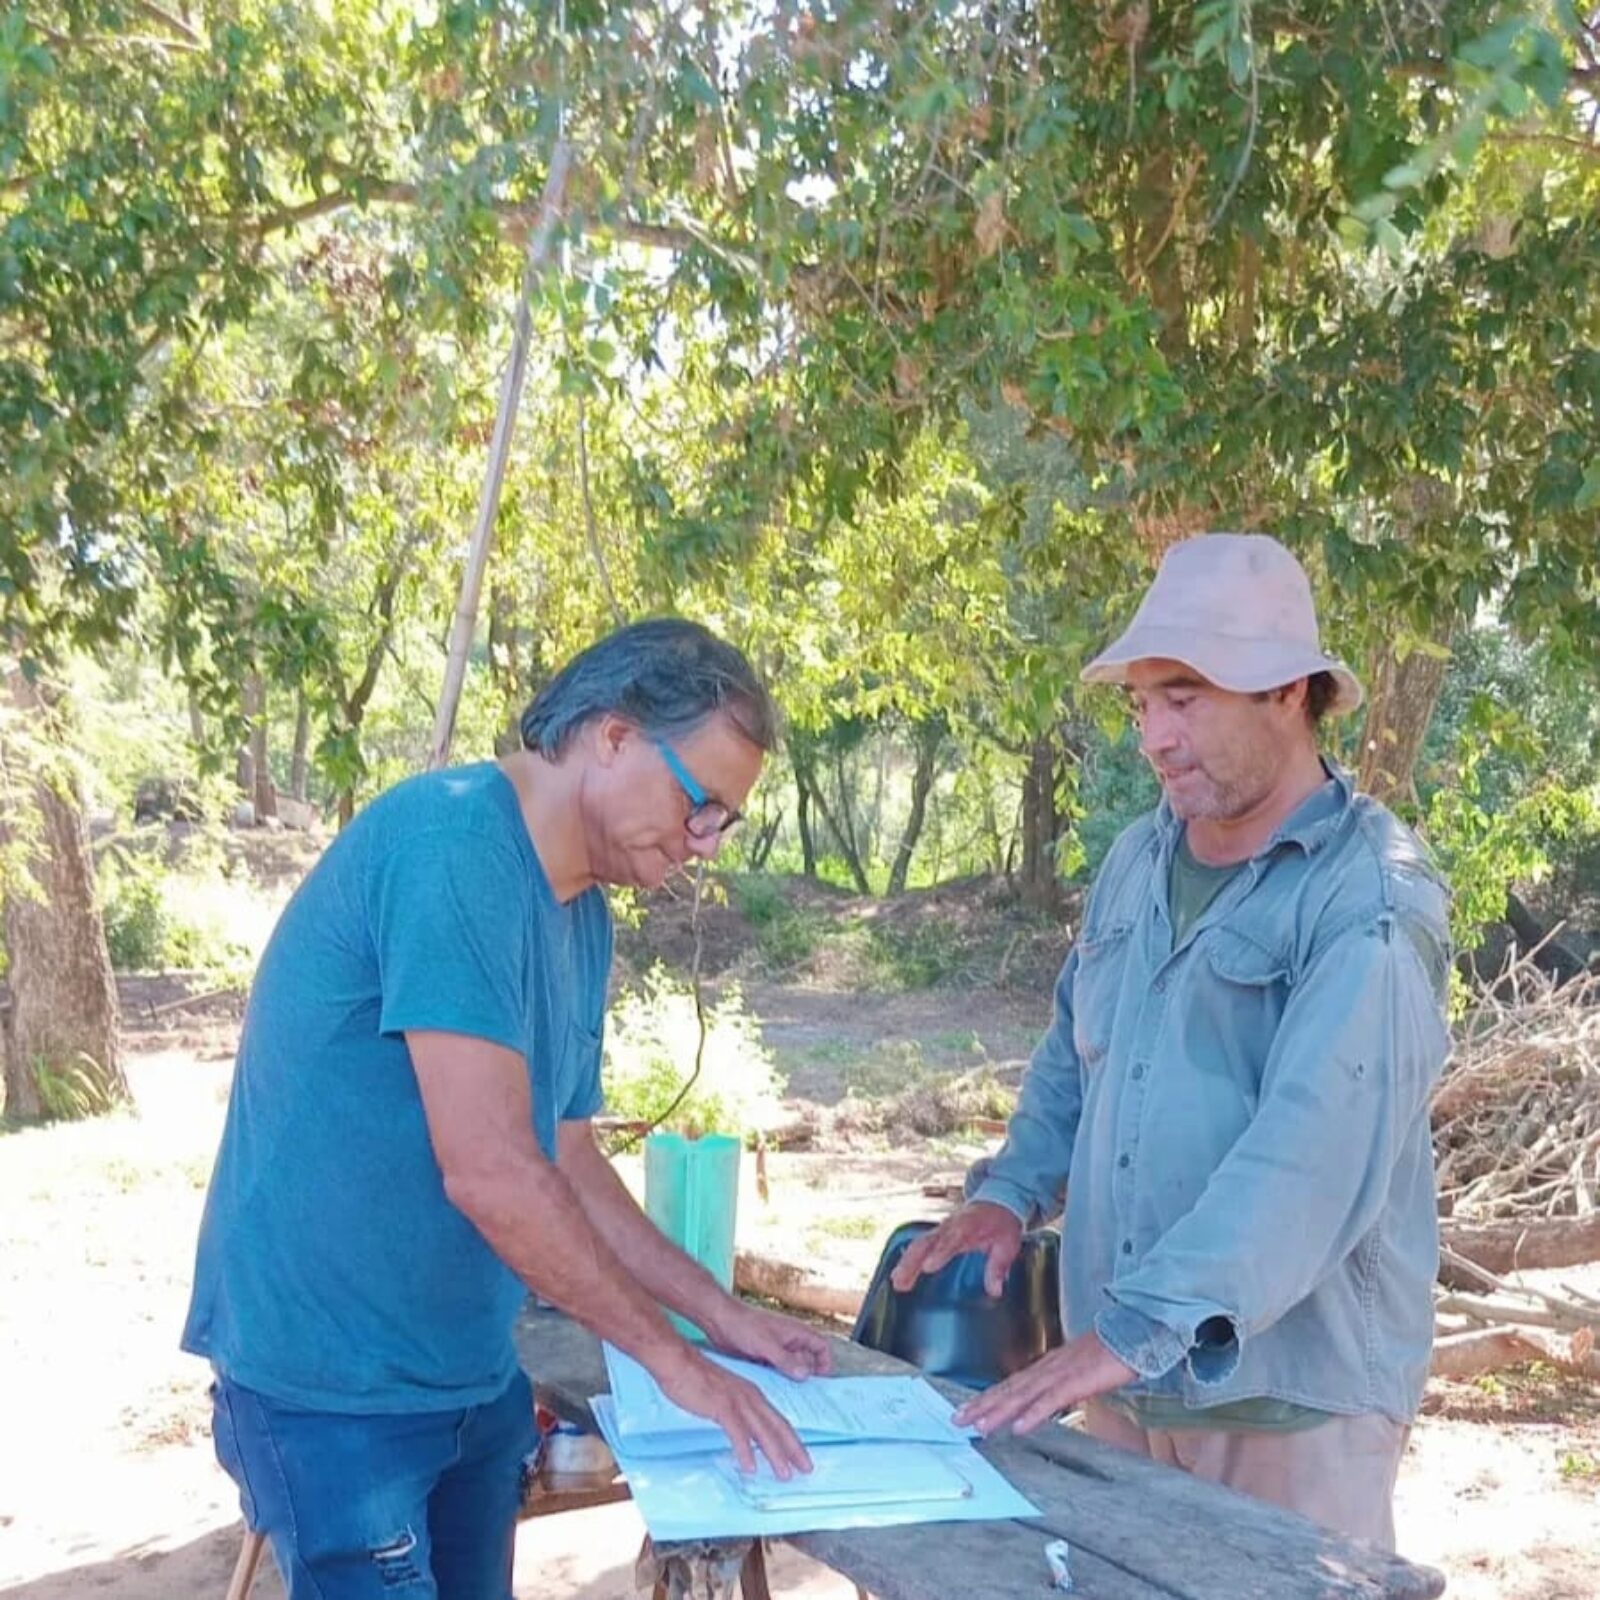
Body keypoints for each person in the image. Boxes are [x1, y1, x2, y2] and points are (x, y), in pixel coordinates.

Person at [183, 618, 830, 1600]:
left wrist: (717, 1317)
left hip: (467, 1370)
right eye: (699, 803)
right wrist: (665, 1359)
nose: (704, 842)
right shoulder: (454, 841)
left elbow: (563, 1156)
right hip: (334, 1382)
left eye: (724, 821)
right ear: (612, 736)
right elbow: (490, 1169)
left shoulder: (582, 915)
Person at [892, 534, 1450, 1549]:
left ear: (1288, 689)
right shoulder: (1137, 859)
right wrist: (1008, 1193)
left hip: (1286, 1409)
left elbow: (1311, 1155)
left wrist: (1128, 1331)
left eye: (1184, 696)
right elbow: (1077, 1049)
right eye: (1140, 702)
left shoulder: (1367, 894)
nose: (1153, 735)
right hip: (1122, 1388)